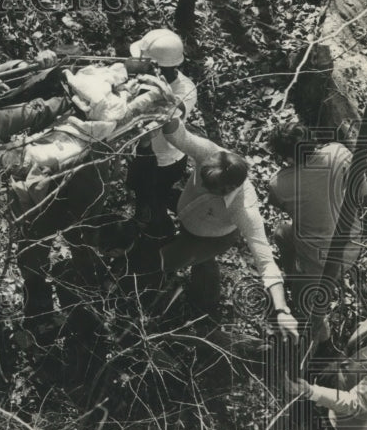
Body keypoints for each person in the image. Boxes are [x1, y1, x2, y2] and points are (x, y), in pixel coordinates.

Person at [128, 76, 298, 337]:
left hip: (210, 237)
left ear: (230, 188)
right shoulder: (210, 152)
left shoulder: (244, 207)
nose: (204, 187)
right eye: (202, 180)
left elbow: (265, 260)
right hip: (188, 213)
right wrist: (162, 112)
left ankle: (201, 304)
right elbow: (178, 135)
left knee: (159, 261)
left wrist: (282, 309)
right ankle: (200, 273)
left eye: (211, 188)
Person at [267, 120, 367, 345]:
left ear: (284, 155)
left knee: (308, 309)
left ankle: (318, 333)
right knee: (283, 233)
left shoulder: (279, 183)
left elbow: (280, 205)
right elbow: (364, 190)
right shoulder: (338, 152)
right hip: (351, 244)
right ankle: (303, 279)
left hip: (317, 259)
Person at [125, 28, 198, 238]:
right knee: (139, 189)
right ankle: (142, 211)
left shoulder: (184, 90)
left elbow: (170, 113)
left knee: (155, 198)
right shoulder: (144, 77)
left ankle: (159, 234)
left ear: (157, 66)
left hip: (164, 161)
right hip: (141, 152)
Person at [286, 307, 367, 430]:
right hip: (351, 378)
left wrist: (311, 391)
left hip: (356, 421)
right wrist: (329, 343)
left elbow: (354, 403)